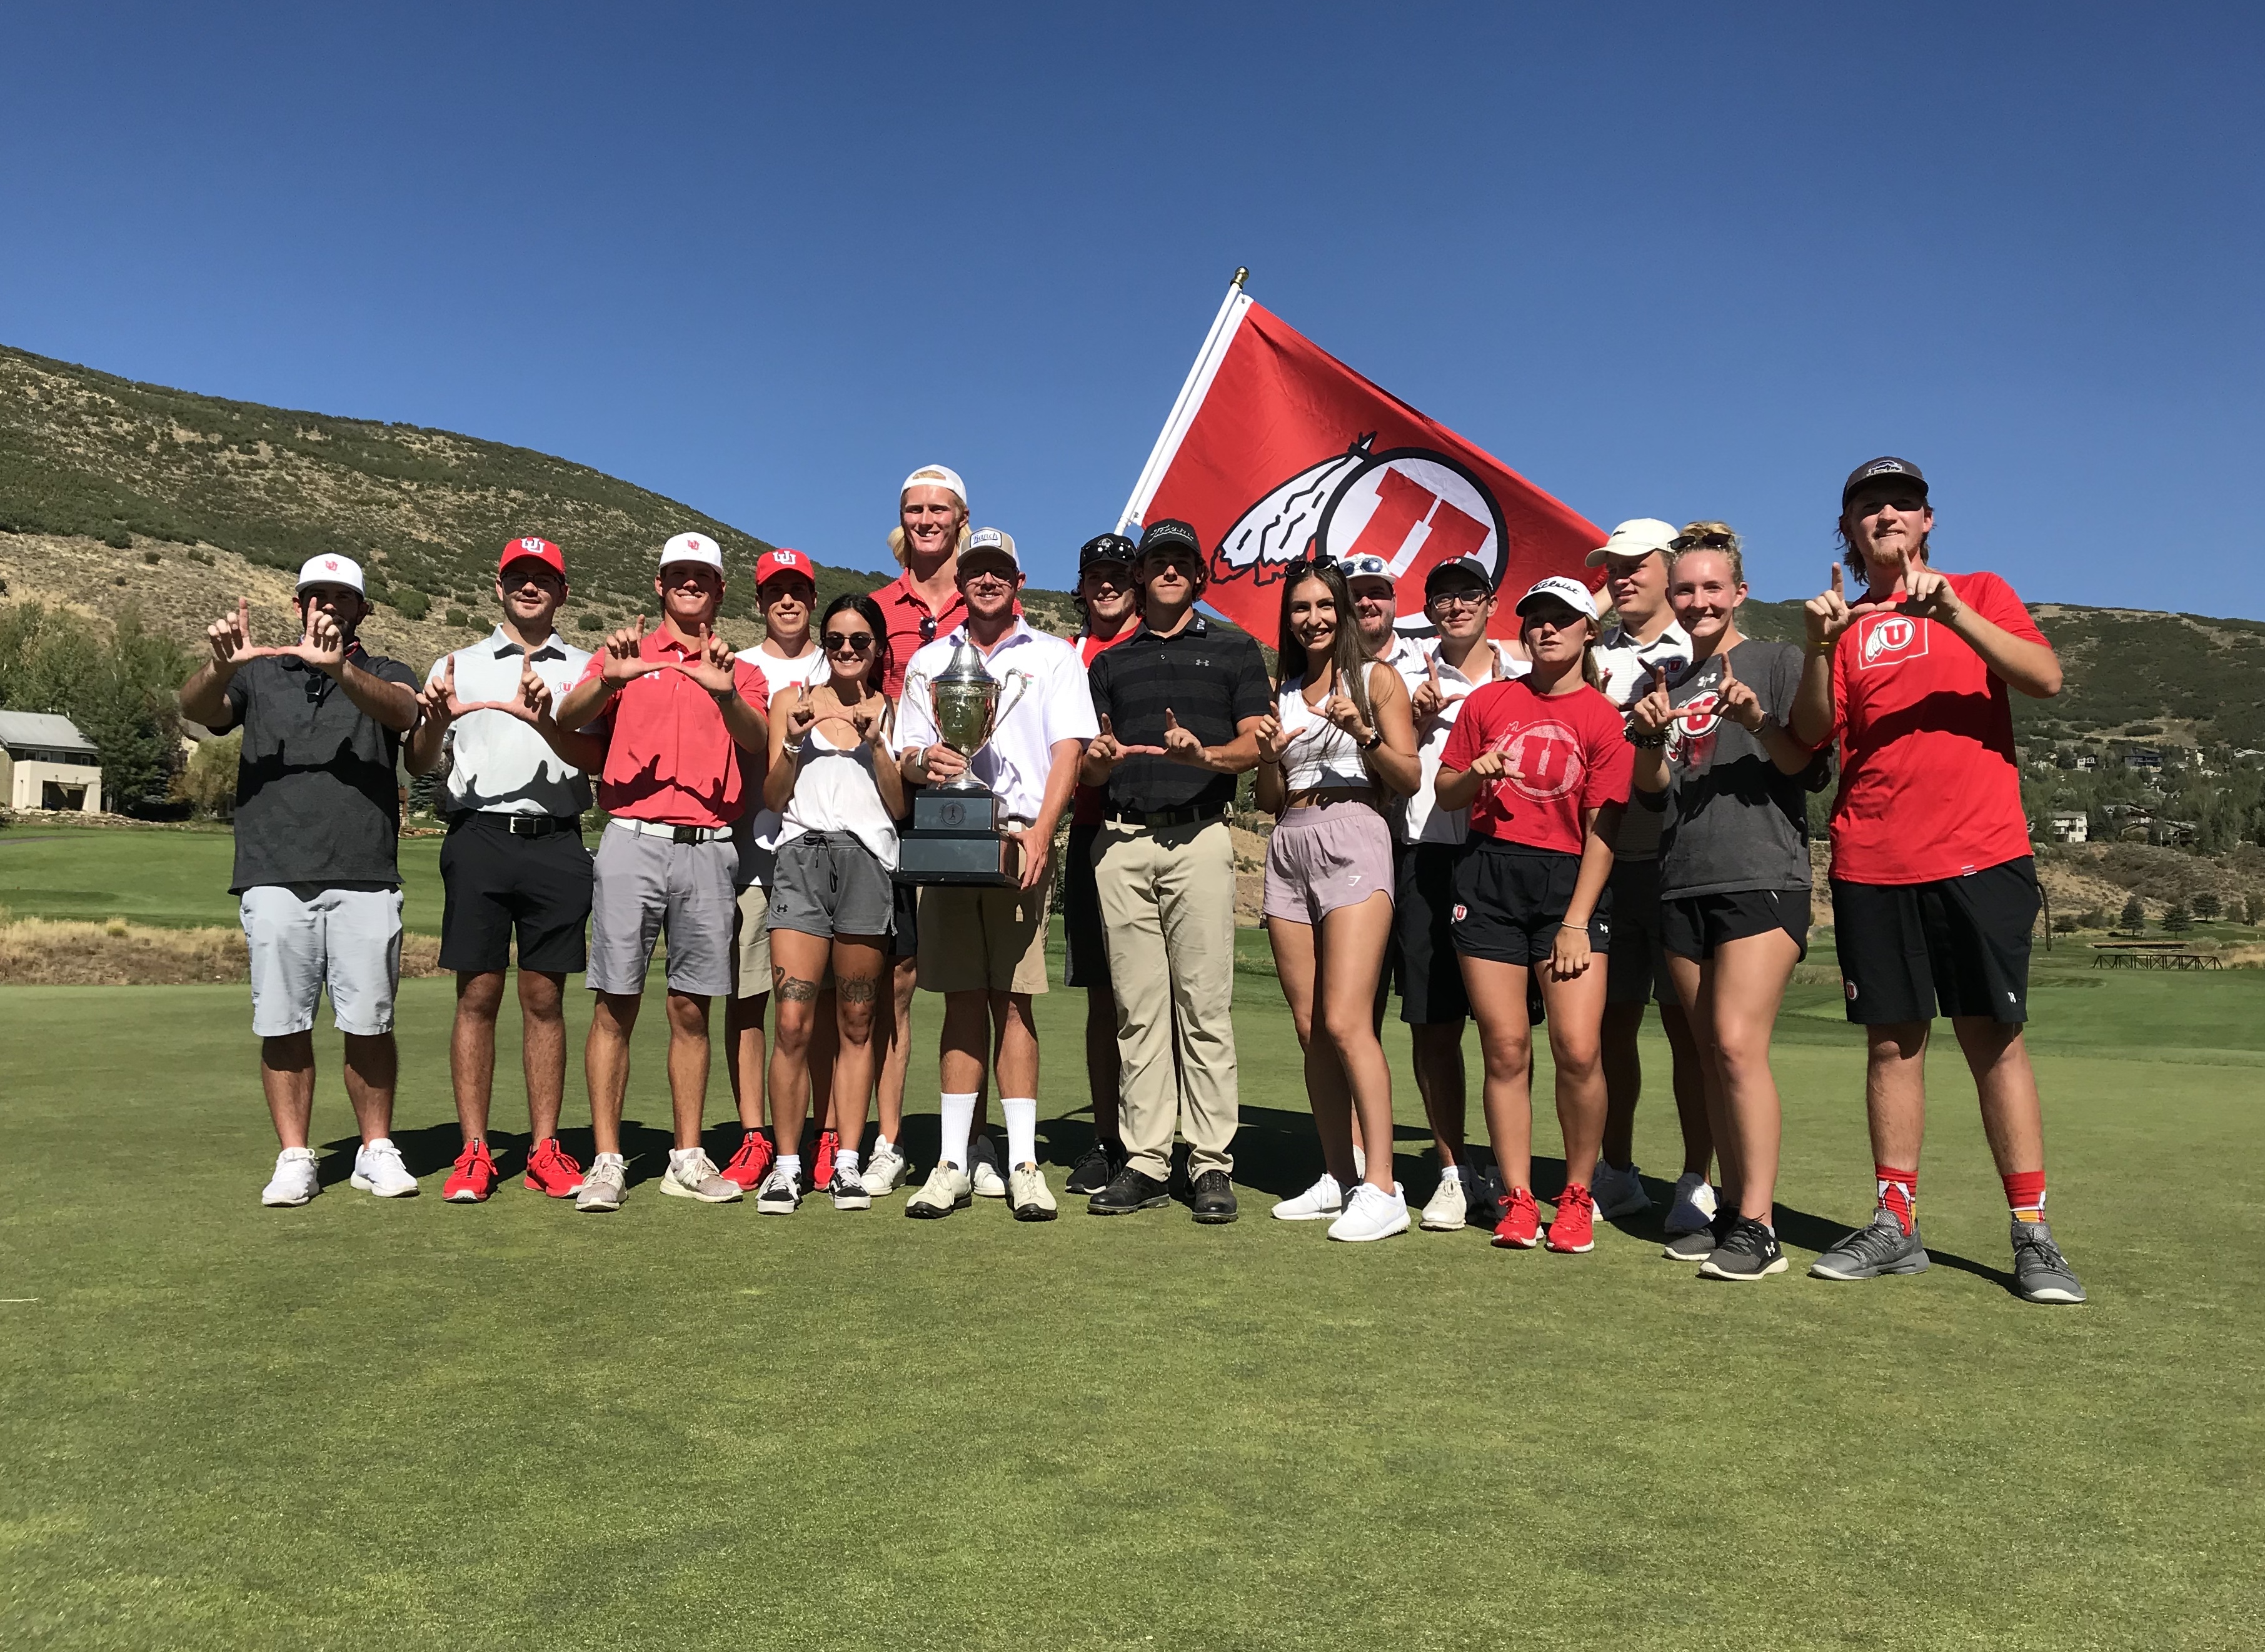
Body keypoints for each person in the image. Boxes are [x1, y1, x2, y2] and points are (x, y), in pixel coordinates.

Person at [1790, 458, 2085, 1304]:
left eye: (1900, 504)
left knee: (1991, 1035)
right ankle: (1893, 1223)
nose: (1884, 514)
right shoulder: (1843, 622)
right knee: (1891, 1042)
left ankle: (2030, 1231)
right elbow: (1814, 733)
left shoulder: (1979, 591)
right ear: (1846, 531)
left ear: (1925, 521)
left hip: (1978, 852)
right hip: (1870, 857)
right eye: (1866, 506)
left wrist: (1949, 611)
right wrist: (1817, 648)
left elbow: (2044, 677)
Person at [178, 558, 422, 1206]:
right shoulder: (257, 671)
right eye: (321, 597)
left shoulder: (387, 671)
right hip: (274, 872)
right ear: (299, 606)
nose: (332, 607)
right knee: (283, 1022)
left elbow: (404, 714)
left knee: (368, 1022)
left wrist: (340, 670)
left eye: (346, 598)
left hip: (364, 873)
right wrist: (223, 665)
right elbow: (197, 707)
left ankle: (375, 1149)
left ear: (363, 611)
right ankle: (294, 1156)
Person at [1627, 534, 1827, 1279]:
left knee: (1739, 1046)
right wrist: (1647, 734)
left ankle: (1757, 1227)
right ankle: (1732, 1209)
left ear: (1738, 592)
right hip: (1682, 880)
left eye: (1712, 589)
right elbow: (1650, 792)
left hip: (1759, 878)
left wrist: (1753, 719)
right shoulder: (1666, 682)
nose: (1698, 603)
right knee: (1710, 1052)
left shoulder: (1777, 662)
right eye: (1684, 591)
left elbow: (1804, 763)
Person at [551, 532, 771, 1214]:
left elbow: (758, 740)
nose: (689, 584)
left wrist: (723, 690)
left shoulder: (738, 667)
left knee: (690, 1006)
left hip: (709, 844)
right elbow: (569, 716)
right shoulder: (622, 654)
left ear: (718, 590)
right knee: (615, 1000)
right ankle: (609, 1160)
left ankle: (684, 1154)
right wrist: (608, 681)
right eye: (678, 574)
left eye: (701, 576)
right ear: (659, 584)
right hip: (631, 839)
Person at [895, 528, 1096, 1221]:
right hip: (949, 840)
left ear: (1017, 579)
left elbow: (1066, 750)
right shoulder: (929, 660)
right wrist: (928, 766)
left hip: (1017, 840)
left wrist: (1044, 830)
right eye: (976, 570)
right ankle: (953, 1160)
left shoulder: (1054, 657)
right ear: (961, 579)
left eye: (998, 571)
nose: (986, 581)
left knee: (1014, 1001)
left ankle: (1021, 1163)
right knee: (958, 997)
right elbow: (907, 755)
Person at [1080, 518, 1272, 1222]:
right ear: (1140, 575)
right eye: (1156, 560)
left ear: (1199, 576)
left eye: (1180, 563)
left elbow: (1255, 742)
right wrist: (1097, 763)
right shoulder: (1109, 661)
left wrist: (1205, 758)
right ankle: (1146, 1160)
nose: (1168, 571)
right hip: (1123, 841)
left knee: (1204, 1006)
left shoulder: (1231, 647)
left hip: (1199, 838)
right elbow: (1093, 752)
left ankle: (1211, 1162)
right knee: (1138, 1010)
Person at [404, 536, 603, 1204]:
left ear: (562, 592)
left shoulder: (587, 669)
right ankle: (474, 1151)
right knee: (478, 995)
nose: (529, 587)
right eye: (518, 576)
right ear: (498, 587)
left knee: (545, 998)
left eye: (543, 578)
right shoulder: (456, 663)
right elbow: (420, 761)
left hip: (556, 840)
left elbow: (600, 761)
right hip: (479, 834)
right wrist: (432, 720)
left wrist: (551, 719)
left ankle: (546, 1148)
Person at [1435, 575, 1630, 1254]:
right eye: (1536, 619)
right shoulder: (1488, 702)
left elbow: (1605, 828)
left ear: (1587, 630)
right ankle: (1516, 1198)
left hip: (1568, 886)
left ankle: (1575, 1194)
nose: (1546, 629)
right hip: (1488, 874)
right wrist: (1475, 774)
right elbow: (1446, 789)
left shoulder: (1603, 717)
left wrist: (1577, 919)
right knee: (1505, 1048)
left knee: (1576, 1050)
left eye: (1561, 619)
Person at [1255, 560, 1420, 1241]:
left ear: (1345, 612)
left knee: (1348, 1020)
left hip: (1354, 834)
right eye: (1300, 608)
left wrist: (1364, 733)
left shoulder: (1375, 678)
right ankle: (1338, 1175)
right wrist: (1267, 754)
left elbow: (1407, 776)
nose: (1313, 618)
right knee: (1309, 1026)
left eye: (1325, 606)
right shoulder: (1280, 689)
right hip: (1289, 840)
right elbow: (1267, 800)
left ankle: (1382, 1188)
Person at [1585, 518, 1713, 1243]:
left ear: (1670, 570)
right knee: (1610, 1026)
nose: (1621, 577)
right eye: (1612, 568)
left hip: (1675, 862)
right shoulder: (1591, 649)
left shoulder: (1694, 648)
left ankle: (1696, 1179)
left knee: (1686, 1030)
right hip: (1603, 860)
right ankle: (1616, 1169)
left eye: (1637, 566)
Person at [759, 593, 906, 1213]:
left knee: (857, 1022)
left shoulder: (890, 710)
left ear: (876, 649)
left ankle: (846, 1161)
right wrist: (794, 743)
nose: (847, 650)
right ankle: (787, 1166)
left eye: (860, 642)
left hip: (867, 863)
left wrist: (877, 747)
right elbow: (771, 795)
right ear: (826, 644)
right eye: (837, 641)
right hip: (800, 859)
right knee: (792, 1020)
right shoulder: (790, 703)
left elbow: (900, 807)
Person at [1391, 556, 1525, 1231]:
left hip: (1505, 856)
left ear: (1489, 601)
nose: (1453, 607)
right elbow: (1390, 770)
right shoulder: (1408, 676)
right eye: (1440, 598)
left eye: (1466, 595)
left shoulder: (1524, 667)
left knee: (1506, 1033)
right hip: (1425, 853)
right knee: (1432, 1021)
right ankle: (1451, 1169)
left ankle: (1509, 1170)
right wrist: (1410, 724)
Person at [868, 466, 973, 1194]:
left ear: (961, 517)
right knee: (892, 980)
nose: (926, 519)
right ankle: (885, 1138)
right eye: (914, 509)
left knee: (976, 983)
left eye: (939, 509)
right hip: (892, 810)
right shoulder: (878, 607)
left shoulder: (993, 600)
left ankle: (972, 1140)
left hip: (970, 813)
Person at [721, 548, 835, 1193]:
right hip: (751, 856)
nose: (786, 602)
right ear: (759, 601)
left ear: (811, 600)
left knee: (812, 1007)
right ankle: (753, 1136)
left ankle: (821, 1133)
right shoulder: (738, 669)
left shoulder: (834, 663)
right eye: (775, 592)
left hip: (819, 862)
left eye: (797, 591)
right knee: (749, 1002)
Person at [1061, 533, 1142, 1195]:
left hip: (1159, 832)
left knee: (1158, 1002)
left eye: (1119, 574)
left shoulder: (1160, 646)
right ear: (1082, 585)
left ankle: (1154, 1139)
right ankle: (1106, 1136)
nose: (1107, 585)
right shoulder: (1067, 659)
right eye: (1097, 575)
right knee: (1101, 999)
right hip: (1092, 834)